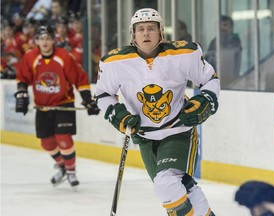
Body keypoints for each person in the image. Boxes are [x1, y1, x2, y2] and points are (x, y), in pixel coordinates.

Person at [95, 8, 220, 216]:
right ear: (133, 34)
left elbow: (210, 79)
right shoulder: (114, 63)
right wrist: (118, 114)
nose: (145, 33)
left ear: (161, 32)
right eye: (140, 29)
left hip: (178, 129)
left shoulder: (182, 54)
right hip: (143, 136)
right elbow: (103, 94)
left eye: (151, 28)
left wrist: (205, 100)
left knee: (166, 183)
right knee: (180, 185)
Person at [14, 25, 100, 188]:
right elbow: (22, 78)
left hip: (63, 104)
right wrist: (22, 94)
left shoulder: (64, 57)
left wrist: (87, 99)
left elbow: (80, 79)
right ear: (36, 41)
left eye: (48, 38)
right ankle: (62, 166)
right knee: (46, 143)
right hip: (42, 107)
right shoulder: (30, 57)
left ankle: (71, 171)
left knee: (64, 138)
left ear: (53, 40)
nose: (45, 42)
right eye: (41, 39)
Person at [205, 15, 242, 88]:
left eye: (225, 25)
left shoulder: (236, 41)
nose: (222, 28)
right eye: (220, 25)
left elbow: (237, 63)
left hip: (232, 81)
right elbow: (208, 60)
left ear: (231, 27)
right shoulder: (214, 42)